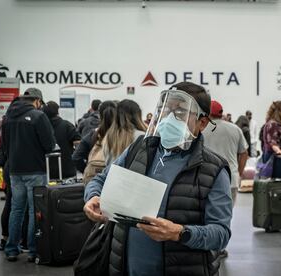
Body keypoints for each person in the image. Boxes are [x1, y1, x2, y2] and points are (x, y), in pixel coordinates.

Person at [84, 82, 232, 276]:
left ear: (202, 123)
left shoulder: (213, 169)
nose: (169, 118)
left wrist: (180, 232)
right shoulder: (140, 149)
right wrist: (93, 196)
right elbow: (101, 180)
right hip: (125, 267)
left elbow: (220, 233)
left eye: (179, 113)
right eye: (165, 110)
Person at [2, 88, 56, 262]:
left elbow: (3, 145)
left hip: (15, 170)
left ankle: (11, 248)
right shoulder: (39, 117)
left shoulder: (9, 116)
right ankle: (33, 250)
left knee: (16, 209)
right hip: (36, 170)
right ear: (37, 101)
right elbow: (49, 144)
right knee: (35, 211)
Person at [203, 100, 248, 205]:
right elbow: (244, 153)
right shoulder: (235, 129)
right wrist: (239, 173)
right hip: (231, 179)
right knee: (227, 215)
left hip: (206, 180)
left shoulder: (201, 128)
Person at [72, 101, 116, 173]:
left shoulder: (92, 135)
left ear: (100, 114)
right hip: (114, 178)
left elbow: (76, 157)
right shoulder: (123, 136)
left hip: (95, 177)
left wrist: (86, 170)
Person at [43, 101, 81, 179]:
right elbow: (78, 142)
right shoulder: (67, 125)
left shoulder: (41, 126)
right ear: (58, 111)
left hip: (45, 171)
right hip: (67, 170)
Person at [103, 99, 147, 166]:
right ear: (137, 115)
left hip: (110, 174)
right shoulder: (140, 136)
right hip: (131, 175)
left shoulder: (109, 135)